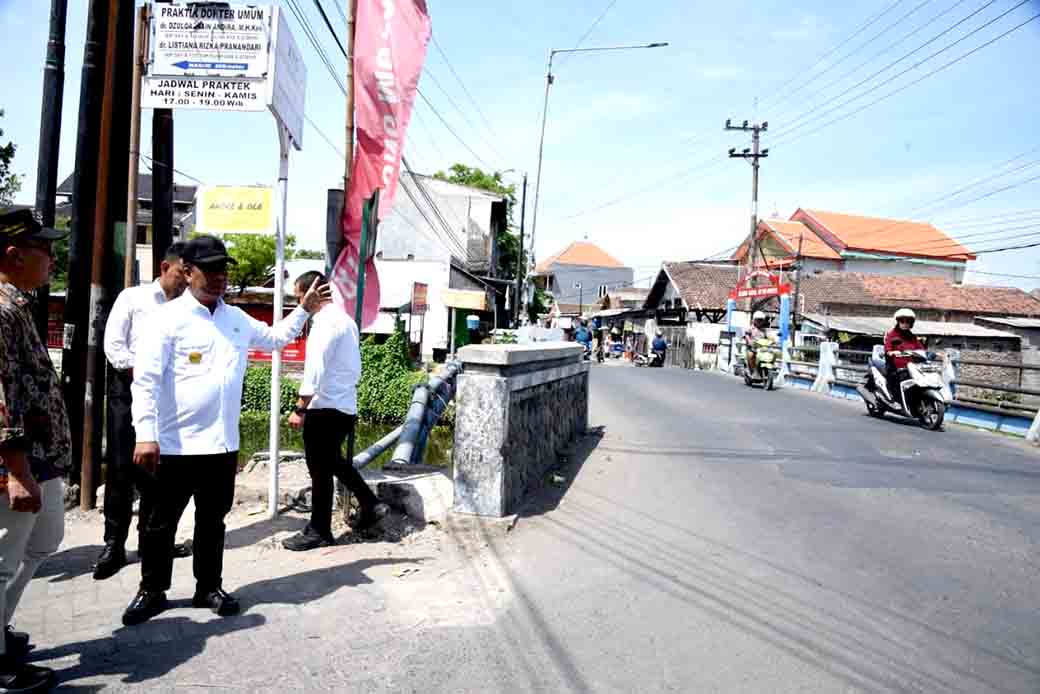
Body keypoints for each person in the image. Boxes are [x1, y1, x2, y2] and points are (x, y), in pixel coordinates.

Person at [122, 235, 331, 627]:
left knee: (212, 521)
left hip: (221, 444)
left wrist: (303, 310)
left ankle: (208, 587)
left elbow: (276, 339)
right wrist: (145, 434)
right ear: (187, 271)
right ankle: (152, 590)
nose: (220, 277)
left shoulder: (235, 318)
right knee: (160, 523)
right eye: (211, 269)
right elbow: (145, 382)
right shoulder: (165, 320)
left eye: (224, 269)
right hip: (172, 445)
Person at [0, 208, 70, 692]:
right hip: (16, 462)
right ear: (12, 253)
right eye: (43, 247)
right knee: (4, 559)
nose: (51, 256)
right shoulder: (0, 310)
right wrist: (16, 469)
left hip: (38, 458)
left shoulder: (16, 303)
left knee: (43, 543)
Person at [93, 243, 191, 581]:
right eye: (182, 273)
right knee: (121, 471)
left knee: (157, 476)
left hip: (168, 400)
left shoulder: (186, 307)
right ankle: (113, 545)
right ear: (165, 267)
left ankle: (151, 542)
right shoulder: (133, 299)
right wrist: (143, 371)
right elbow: (113, 345)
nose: (185, 281)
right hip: (128, 391)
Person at [281, 272, 389, 552]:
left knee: (319, 470)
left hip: (324, 407)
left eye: (298, 297)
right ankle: (369, 503)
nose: (298, 303)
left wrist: (299, 409)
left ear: (311, 293)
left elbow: (313, 372)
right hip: (343, 405)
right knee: (332, 462)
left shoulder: (324, 325)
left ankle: (319, 530)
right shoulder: (346, 321)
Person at [884, 308, 925, 396]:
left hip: (912, 366)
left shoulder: (912, 337)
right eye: (902, 321)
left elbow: (920, 348)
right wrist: (892, 352)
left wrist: (931, 354)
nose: (905, 323)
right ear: (898, 322)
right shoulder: (892, 334)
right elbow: (888, 348)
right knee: (895, 380)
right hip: (896, 366)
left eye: (908, 321)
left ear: (911, 323)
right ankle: (893, 397)